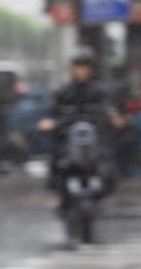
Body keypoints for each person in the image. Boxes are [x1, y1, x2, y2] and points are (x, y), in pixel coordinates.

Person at [37, 47, 125, 198]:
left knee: (109, 166)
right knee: (56, 163)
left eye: (85, 66)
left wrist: (114, 117)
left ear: (90, 68)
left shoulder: (99, 91)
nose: (82, 70)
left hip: (96, 142)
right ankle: (60, 197)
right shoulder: (62, 91)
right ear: (72, 68)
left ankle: (99, 197)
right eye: (78, 66)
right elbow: (50, 113)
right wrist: (47, 123)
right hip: (67, 141)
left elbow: (109, 107)